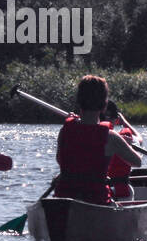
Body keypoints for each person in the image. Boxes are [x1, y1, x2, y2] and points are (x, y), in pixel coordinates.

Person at [55, 75, 141, 205]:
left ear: (79, 102)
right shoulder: (111, 137)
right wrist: (128, 145)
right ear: (104, 106)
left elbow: (59, 160)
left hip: (63, 201)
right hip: (96, 202)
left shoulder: (65, 131)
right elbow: (137, 162)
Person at [102, 100, 140, 200]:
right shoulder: (125, 138)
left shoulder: (86, 135)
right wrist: (124, 122)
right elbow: (139, 139)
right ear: (116, 120)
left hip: (96, 192)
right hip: (121, 192)